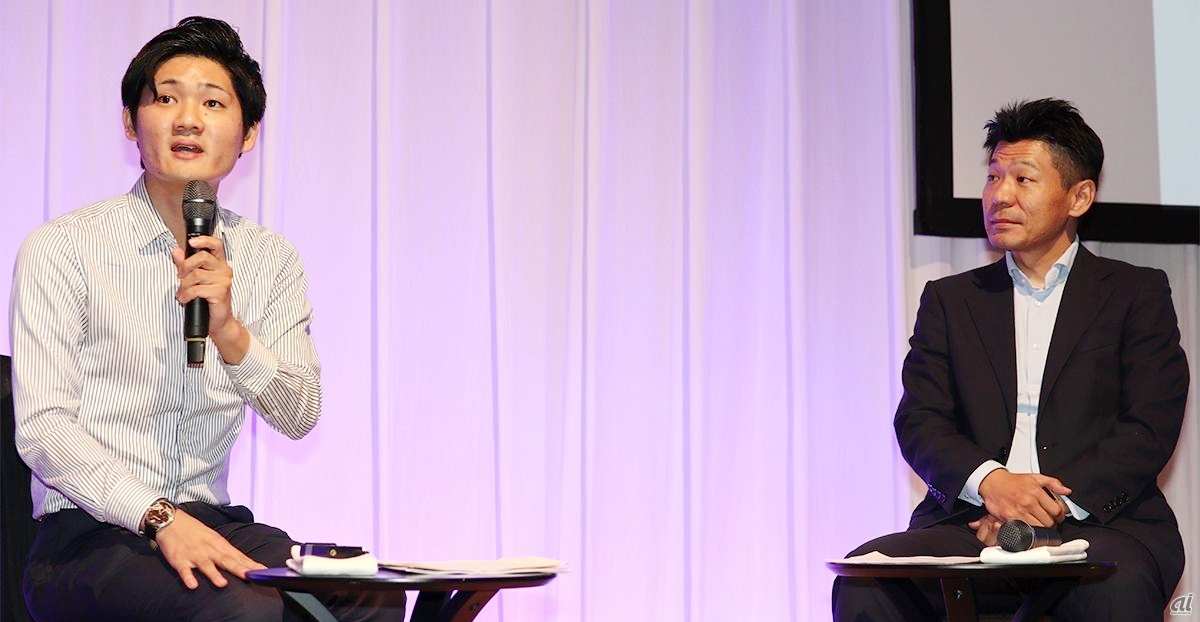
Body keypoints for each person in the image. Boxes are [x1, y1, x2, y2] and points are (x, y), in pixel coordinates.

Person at [10, 17, 402, 621]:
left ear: (247, 135)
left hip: (214, 520)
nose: (188, 120)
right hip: (87, 537)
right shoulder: (63, 248)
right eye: (166, 99)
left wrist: (229, 331)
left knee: (370, 599)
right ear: (130, 122)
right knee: (243, 610)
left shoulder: (270, 259)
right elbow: (43, 428)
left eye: (213, 103)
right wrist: (159, 517)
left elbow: (299, 415)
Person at [832, 98, 1189, 620]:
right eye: (994, 177)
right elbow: (921, 420)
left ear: (1079, 196)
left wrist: (1041, 508)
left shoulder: (1135, 293)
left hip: (1099, 525)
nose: (1000, 195)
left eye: (1023, 179)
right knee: (866, 582)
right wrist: (992, 485)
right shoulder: (951, 300)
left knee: (1111, 589)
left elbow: (1149, 424)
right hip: (972, 521)